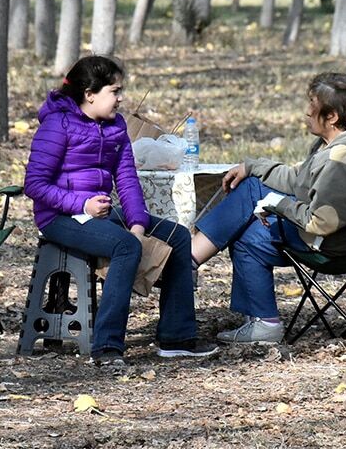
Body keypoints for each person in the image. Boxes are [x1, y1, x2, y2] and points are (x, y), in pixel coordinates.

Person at [24, 56, 218, 366]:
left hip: (100, 214)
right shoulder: (57, 124)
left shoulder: (115, 126)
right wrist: (81, 204)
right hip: (58, 218)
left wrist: (138, 223)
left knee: (179, 236)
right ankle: (107, 347)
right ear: (90, 93)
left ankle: (176, 337)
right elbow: (34, 184)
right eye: (114, 91)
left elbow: (126, 179)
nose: (120, 98)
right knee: (124, 245)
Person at [192, 72, 346, 344]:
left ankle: (188, 261)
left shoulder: (341, 160)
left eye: (312, 104)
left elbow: (323, 222)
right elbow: (299, 181)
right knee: (253, 186)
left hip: (335, 243)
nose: (307, 112)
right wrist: (253, 167)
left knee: (248, 237)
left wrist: (278, 205)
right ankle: (194, 262)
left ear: (332, 117)